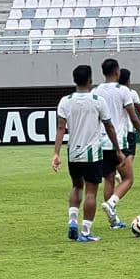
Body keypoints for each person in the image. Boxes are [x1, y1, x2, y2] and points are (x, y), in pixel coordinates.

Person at [51, 63, 125, 242]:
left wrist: (56, 153)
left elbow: (61, 128)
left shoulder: (65, 101)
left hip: (73, 153)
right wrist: (118, 149)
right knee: (91, 192)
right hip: (92, 153)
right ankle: (85, 232)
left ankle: (72, 221)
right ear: (90, 80)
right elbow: (109, 127)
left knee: (77, 186)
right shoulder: (98, 100)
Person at [94, 58, 140, 228]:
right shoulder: (123, 90)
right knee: (128, 179)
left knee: (108, 179)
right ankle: (111, 203)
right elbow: (133, 115)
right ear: (117, 72)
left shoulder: (96, 91)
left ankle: (113, 220)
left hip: (102, 142)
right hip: (119, 142)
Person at [118, 66, 140, 184]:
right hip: (128, 128)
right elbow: (138, 108)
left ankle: (117, 172)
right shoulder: (131, 93)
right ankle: (122, 173)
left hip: (113, 130)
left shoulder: (113, 92)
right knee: (131, 153)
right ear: (128, 80)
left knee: (117, 153)